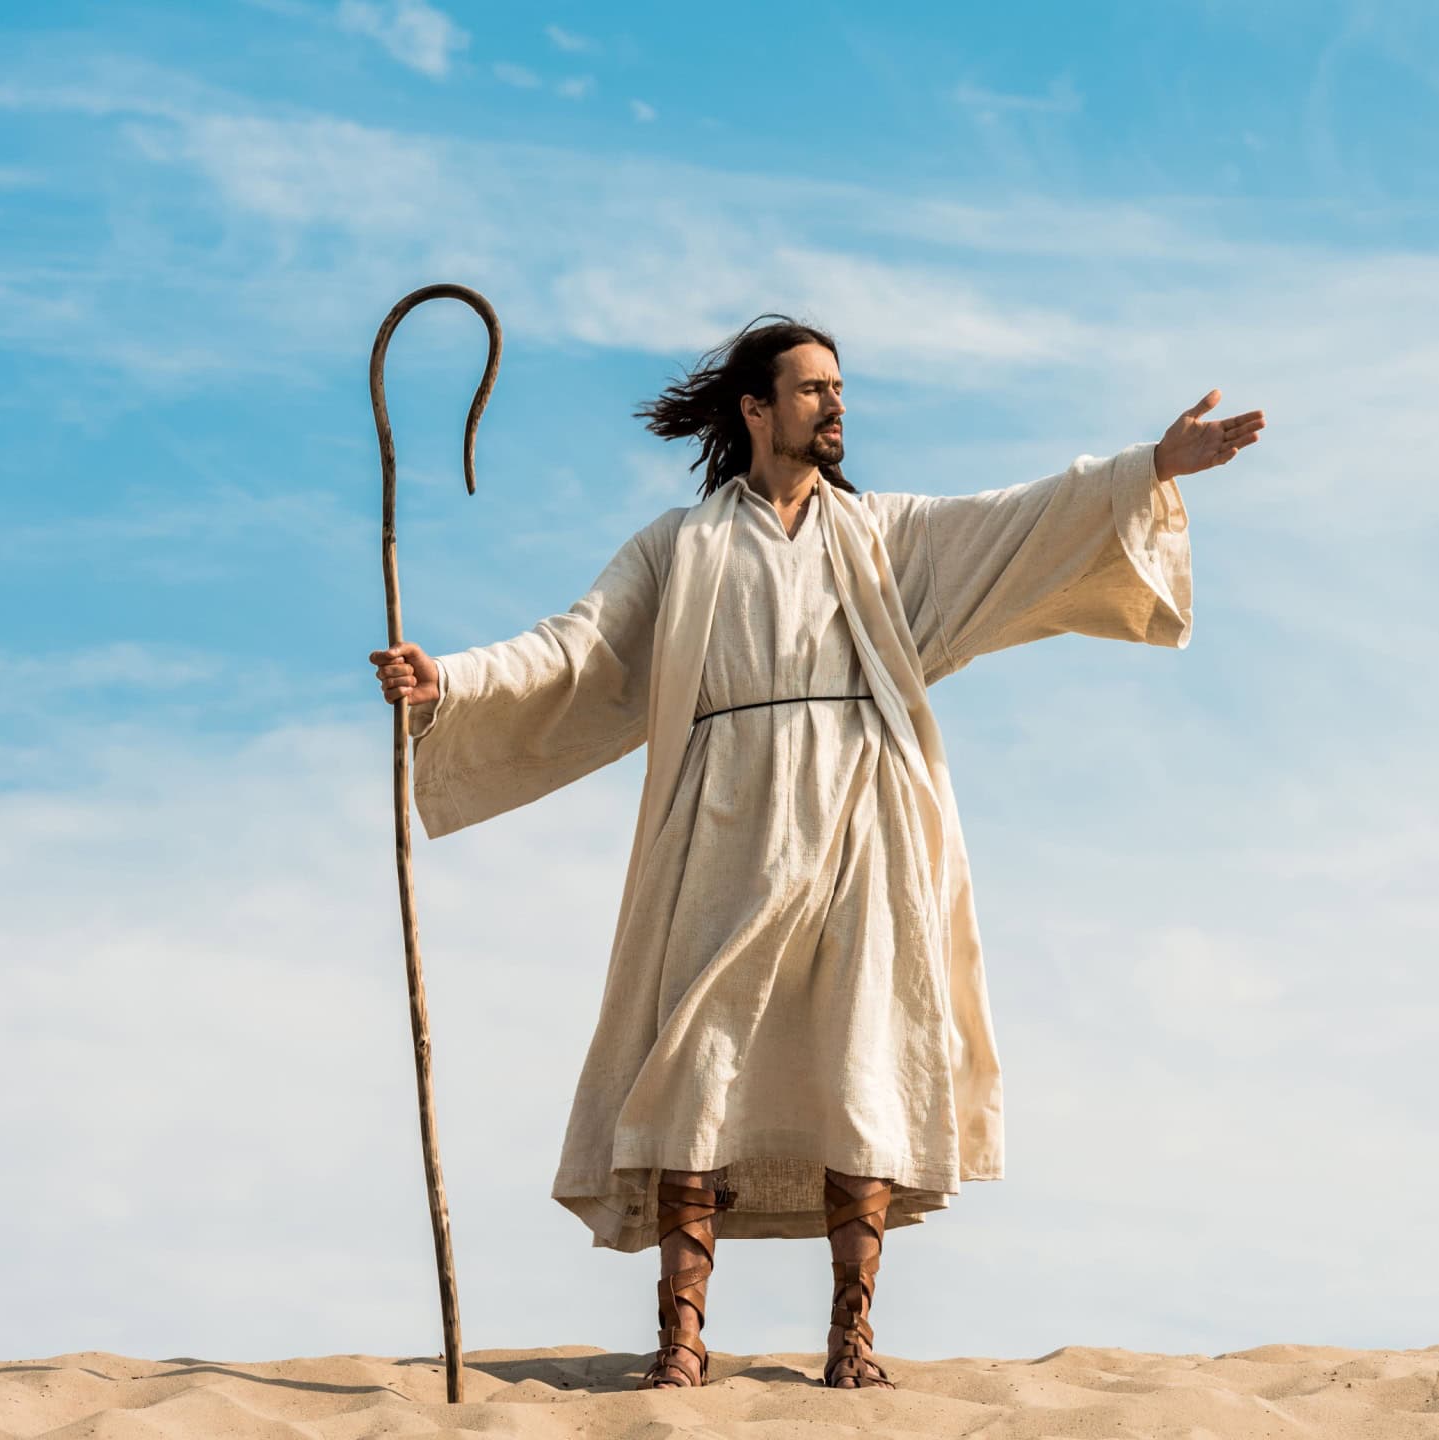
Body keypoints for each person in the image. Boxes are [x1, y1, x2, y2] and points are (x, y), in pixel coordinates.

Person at [367, 315, 1262, 1391]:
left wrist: (1150, 466)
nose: (834, 405)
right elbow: (581, 643)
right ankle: (682, 1341)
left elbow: (1019, 520)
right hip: (725, 818)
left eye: (839, 389)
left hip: (861, 812)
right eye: (811, 390)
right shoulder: (681, 545)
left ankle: (852, 1344)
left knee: (857, 1057)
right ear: (755, 409)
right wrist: (449, 680)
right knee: (694, 1059)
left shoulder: (880, 533)